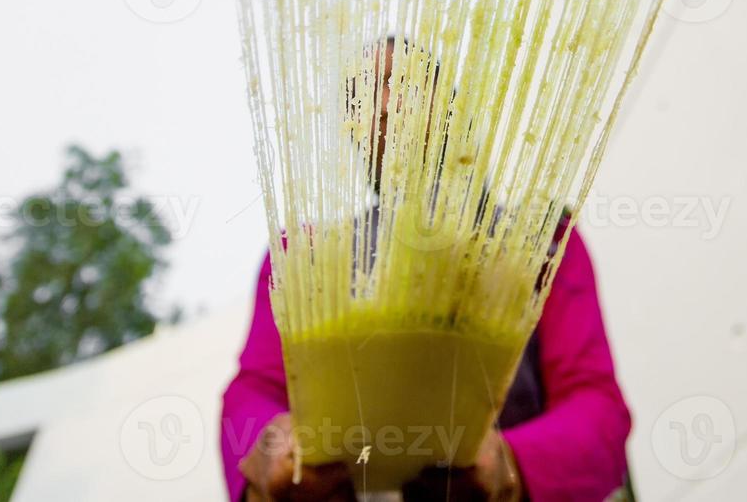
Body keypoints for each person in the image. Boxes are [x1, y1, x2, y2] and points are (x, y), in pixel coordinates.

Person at [220, 41, 632, 501]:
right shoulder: (303, 260)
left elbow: (597, 409)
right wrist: (270, 452)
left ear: (452, 104)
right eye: (364, 95)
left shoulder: (543, 244)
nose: (385, 104)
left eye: (405, 83)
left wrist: (511, 467)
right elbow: (253, 392)